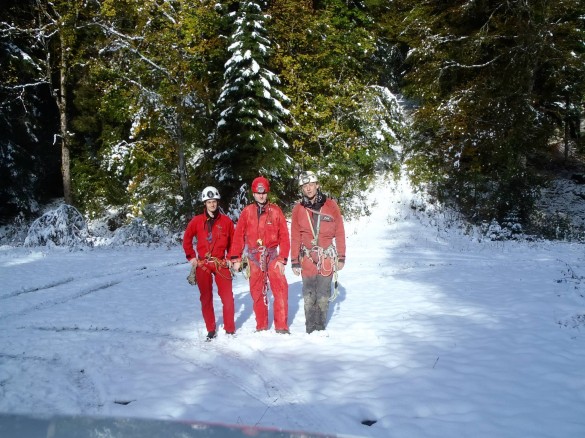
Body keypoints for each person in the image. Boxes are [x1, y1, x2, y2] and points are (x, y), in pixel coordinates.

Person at [230, 176, 291, 334]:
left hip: (272, 257)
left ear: (267, 193)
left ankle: (281, 326)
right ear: (254, 193)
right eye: (258, 193)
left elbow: (284, 236)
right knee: (257, 292)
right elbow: (238, 236)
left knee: (281, 289)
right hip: (253, 258)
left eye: (263, 193)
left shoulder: (275, 211)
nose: (261, 196)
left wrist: (282, 258)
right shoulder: (247, 212)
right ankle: (261, 325)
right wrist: (236, 258)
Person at [291, 171, 346, 333]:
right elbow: (295, 236)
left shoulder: (331, 206)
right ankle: (310, 328)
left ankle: (320, 328)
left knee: (322, 294)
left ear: (317, 185)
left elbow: (340, 232)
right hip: (307, 259)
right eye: (305, 186)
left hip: (326, 258)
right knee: (309, 294)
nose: (308, 189)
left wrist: (341, 257)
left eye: (311, 185)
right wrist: (294, 260)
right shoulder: (298, 209)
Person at [182, 186, 236, 341]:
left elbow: (234, 242)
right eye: (209, 202)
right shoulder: (196, 221)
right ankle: (211, 329)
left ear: (217, 202)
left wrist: (231, 258)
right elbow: (187, 240)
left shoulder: (226, 222)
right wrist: (191, 257)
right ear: (205, 203)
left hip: (220, 263)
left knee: (227, 297)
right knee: (206, 298)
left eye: (214, 202)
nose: (212, 205)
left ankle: (230, 328)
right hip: (203, 264)